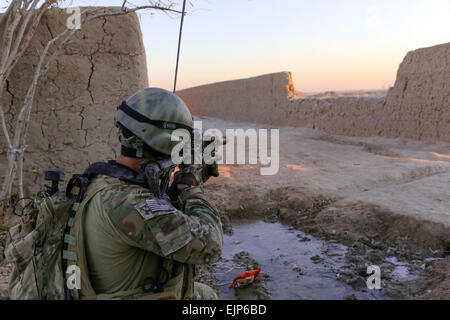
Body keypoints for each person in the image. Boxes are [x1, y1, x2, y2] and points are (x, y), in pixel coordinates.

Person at [70, 88, 223, 300]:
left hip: (114, 287)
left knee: (205, 294)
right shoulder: (129, 203)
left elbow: (166, 215)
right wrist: (191, 188)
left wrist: (184, 181)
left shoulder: (106, 181)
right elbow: (210, 245)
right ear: (164, 143)